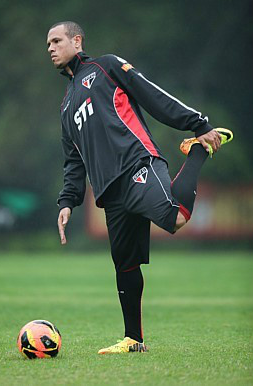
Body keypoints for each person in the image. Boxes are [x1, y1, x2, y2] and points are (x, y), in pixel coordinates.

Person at [47, 21, 233, 354]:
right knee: (125, 264)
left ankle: (198, 151)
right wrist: (67, 202)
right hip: (109, 193)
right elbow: (73, 161)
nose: (50, 47)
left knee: (175, 218)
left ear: (77, 41)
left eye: (57, 40)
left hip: (137, 165)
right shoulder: (65, 106)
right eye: (48, 43)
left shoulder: (106, 67)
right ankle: (133, 340)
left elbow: (152, 95)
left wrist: (198, 124)